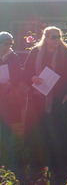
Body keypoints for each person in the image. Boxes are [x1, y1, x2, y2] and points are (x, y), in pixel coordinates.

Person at [23, 26, 67, 171]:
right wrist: (32, 78)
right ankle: (38, 164)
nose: (56, 40)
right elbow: (26, 72)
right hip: (38, 100)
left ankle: (58, 165)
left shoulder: (66, 53)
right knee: (38, 132)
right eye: (53, 37)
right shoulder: (35, 52)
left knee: (57, 132)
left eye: (58, 37)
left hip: (58, 100)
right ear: (45, 37)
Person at [0, 31, 26, 166]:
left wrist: (10, 83)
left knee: (12, 129)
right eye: (5, 43)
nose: (8, 46)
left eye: (10, 43)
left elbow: (18, 74)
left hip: (11, 98)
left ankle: (11, 161)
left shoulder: (14, 57)